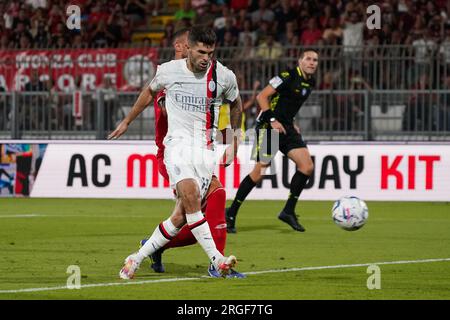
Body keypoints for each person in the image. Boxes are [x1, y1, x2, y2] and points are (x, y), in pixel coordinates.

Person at [108, 25, 243, 279]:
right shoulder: (169, 71)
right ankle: (217, 260)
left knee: (180, 217)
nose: (206, 58)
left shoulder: (223, 76)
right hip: (176, 146)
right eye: (201, 52)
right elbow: (149, 92)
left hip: (204, 153)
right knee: (191, 197)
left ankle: (136, 258)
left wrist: (235, 140)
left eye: (210, 53)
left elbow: (236, 103)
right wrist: (127, 121)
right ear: (189, 48)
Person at [225, 49, 319, 233]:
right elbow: (262, 96)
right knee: (259, 172)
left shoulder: (310, 82)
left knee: (306, 166)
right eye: (308, 59)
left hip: (287, 128)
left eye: (315, 60)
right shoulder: (287, 76)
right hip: (269, 126)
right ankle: (231, 213)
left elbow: (287, 104)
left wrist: (291, 121)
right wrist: (273, 120)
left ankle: (288, 211)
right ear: (300, 60)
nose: (312, 62)